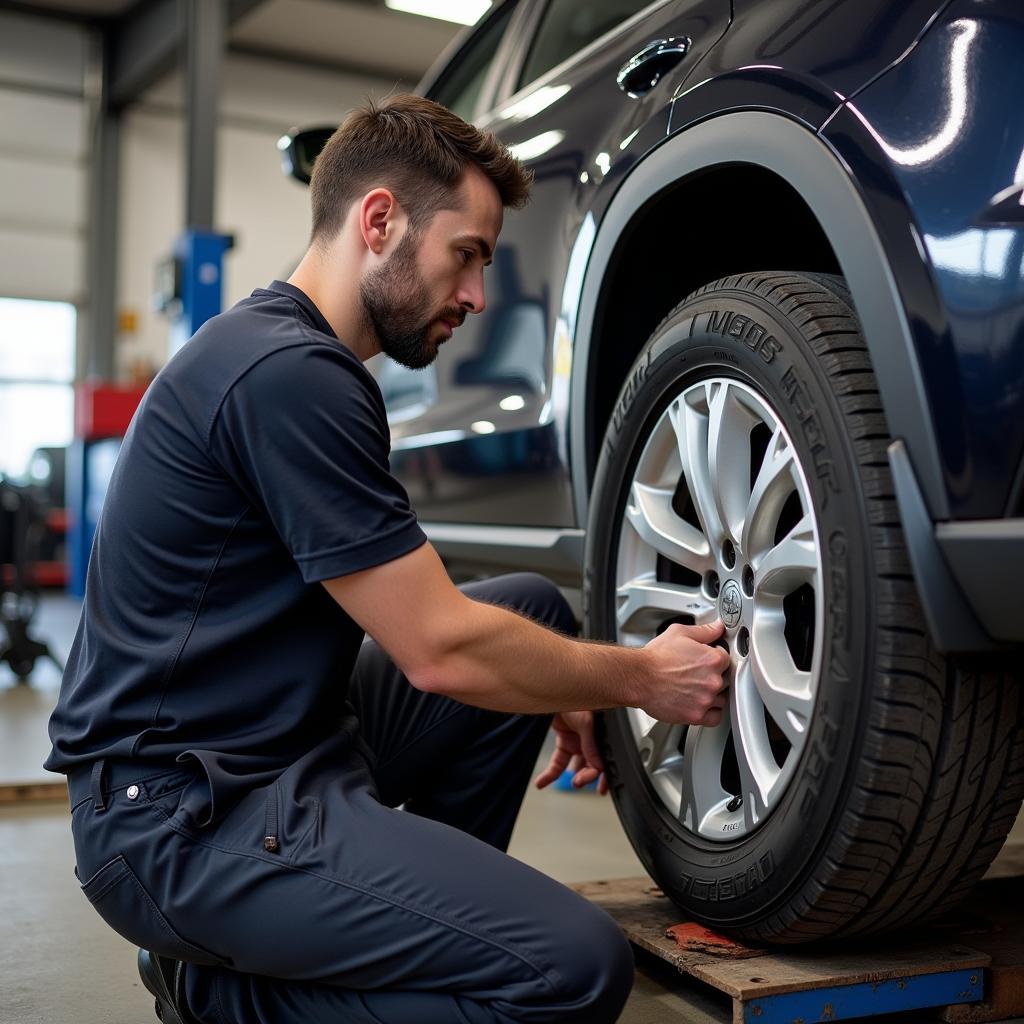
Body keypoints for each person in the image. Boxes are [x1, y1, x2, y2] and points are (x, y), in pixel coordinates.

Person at [45, 94, 731, 1024]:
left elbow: (428, 603)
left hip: (271, 747)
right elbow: (439, 649)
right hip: (181, 818)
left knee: (529, 609)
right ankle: (222, 993)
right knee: (572, 969)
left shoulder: (293, 356)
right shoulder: (289, 376)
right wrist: (639, 677)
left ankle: (386, 925)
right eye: (469, 254)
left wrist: (557, 675)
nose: (478, 296)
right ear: (380, 220)